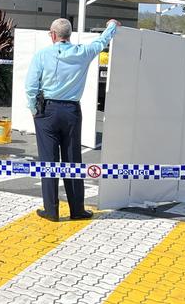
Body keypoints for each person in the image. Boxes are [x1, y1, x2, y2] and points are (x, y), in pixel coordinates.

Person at [26, 18, 120, 222]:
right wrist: (111, 25)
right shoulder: (82, 53)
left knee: (49, 161)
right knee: (72, 159)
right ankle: (77, 209)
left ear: (52, 34)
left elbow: (31, 86)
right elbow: (102, 42)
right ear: (69, 35)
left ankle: (51, 210)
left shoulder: (42, 55)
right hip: (71, 111)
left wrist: (34, 110)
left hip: (47, 111)